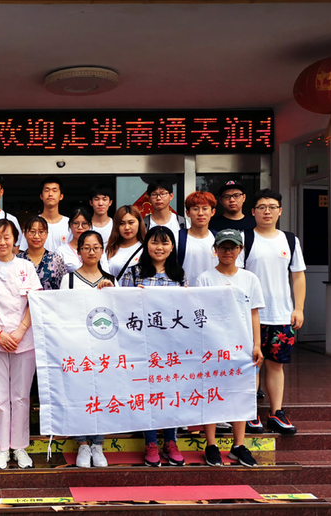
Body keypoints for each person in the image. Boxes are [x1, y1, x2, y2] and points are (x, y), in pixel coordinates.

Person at [0, 219, 41, 470]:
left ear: (15, 240)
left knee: (21, 396)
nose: (2, 242)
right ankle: (2, 448)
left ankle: (20, 447)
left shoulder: (26, 266)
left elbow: (34, 302)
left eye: (7, 237)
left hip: (24, 340)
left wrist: (21, 330)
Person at [119, 226, 186, 467]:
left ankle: (170, 441)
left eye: (165, 243)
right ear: (146, 245)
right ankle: (150, 442)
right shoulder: (134, 273)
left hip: (171, 346)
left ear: (172, 247)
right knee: (148, 392)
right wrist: (131, 296)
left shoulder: (179, 275)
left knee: (170, 392)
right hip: (143, 346)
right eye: (154, 242)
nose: (159, 248)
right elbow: (121, 308)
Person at [197, 229, 265, 468]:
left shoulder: (250, 279)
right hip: (213, 348)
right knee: (211, 393)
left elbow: (254, 313)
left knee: (240, 394)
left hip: (242, 348)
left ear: (240, 250)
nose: (228, 251)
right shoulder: (205, 279)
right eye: (223, 247)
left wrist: (257, 344)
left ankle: (238, 445)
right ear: (215, 250)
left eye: (233, 247)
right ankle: (211, 444)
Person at [244, 189, 306, 435]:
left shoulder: (289, 240)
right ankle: (249, 413)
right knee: (251, 365)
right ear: (253, 212)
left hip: (282, 315)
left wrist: (298, 308)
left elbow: (298, 276)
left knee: (276, 365)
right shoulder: (245, 238)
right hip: (251, 316)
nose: (267, 211)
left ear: (280, 211)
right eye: (261, 207)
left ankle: (276, 412)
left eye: (272, 207)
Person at [59, 230, 114, 468]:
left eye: (96, 247)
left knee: (102, 395)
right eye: (86, 247)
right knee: (79, 394)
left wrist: (110, 293)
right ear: (79, 251)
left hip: (103, 348)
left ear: (102, 250)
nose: (91, 252)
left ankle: (98, 444)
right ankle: (82, 443)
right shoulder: (69, 280)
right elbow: (62, 312)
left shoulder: (111, 279)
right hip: (77, 346)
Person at [179, 191, 222, 286]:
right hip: (186, 291)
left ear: (213, 212)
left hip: (214, 291)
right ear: (188, 213)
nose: (200, 213)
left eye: (205, 208)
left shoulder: (218, 239)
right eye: (195, 209)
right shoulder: (178, 238)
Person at [19, 176, 70, 252]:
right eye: (47, 190)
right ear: (41, 196)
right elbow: (23, 252)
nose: (50, 194)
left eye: (54, 191)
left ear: (61, 196)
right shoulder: (32, 224)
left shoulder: (69, 224)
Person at [17, 215, 68, 291]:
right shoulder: (17, 260)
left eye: (41, 232)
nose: (36, 236)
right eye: (32, 232)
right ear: (25, 234)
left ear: (47, 234)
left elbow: (64, 288)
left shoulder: (56, 260)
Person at [56, 207, 109, 273]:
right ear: (69, 225)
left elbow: (106, 273)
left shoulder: (97, 248)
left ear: (90, 225)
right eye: (76, 223)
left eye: (84, 224)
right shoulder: (61, 251)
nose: (80, 227)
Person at [105, 205, 146, 281]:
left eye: (131, 223)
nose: (127, 227)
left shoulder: (147, 248)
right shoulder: (108, 248)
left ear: (139, 223)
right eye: (122, 223)